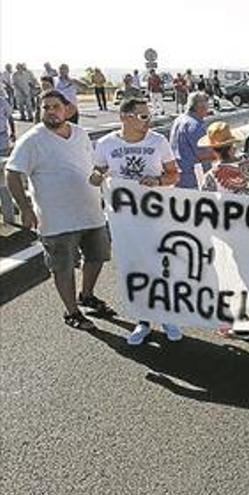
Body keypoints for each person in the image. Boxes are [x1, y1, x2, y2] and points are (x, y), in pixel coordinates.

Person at [5, 90, 115, 330]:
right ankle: (72, 312)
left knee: (98, 256)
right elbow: (12, 173)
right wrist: (25, 208)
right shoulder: (33, 140)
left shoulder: (81, 134)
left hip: (91, 212)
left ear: (68, 110)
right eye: (46, 108)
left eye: (55, 106)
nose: (51, 111)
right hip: (56, 219)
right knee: (63, 267)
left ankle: (87, 295)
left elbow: (91, 167)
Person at [89, 98, 182, 344]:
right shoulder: (106, 144)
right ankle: (143, 320)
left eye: (148, 115)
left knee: (161, 268)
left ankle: (167, 316)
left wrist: (159, 182)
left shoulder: (158, 141)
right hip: (125, 223)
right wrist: (97, 176)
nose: (147, 121)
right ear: (124, 117)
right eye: (142, 116)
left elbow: (175, 174)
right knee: (135, 269)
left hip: (156, 218)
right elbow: (98, 170)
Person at [199, 121, 249, 340]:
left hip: (230, 235)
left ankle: (245, 325)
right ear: (232, 145)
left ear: (213, 149)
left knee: (235, 278)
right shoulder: (247, 166)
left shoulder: (212, 176)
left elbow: (203, 208)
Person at [169, 92, 213, 189]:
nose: (208, 111)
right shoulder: (195, 126)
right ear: (200, 107)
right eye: (207, 107)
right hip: (193, 178)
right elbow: (203, 154)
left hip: (179, 174)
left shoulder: (178, 120)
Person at [0, 93, 16, 224]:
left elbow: (10, 117)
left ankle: (9, 218)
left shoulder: (2, 101)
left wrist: (13, 133)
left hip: (2, 140)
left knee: (3, 182)